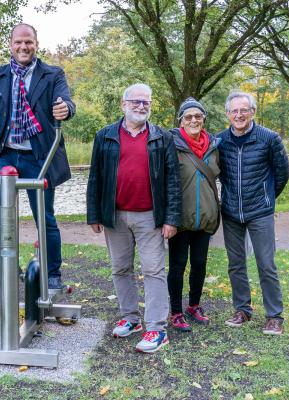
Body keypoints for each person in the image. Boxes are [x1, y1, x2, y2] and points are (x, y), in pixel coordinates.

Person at [0, 23, 75, 290]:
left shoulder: (52, 74)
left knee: (45, 215)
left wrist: (65, 108)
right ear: (10, 45)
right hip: (5, 154)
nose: (23, 47)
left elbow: (66, 102)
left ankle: (52, 272)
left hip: (38, 155)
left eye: (28, 42)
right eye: (18, 42)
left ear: (36, 44)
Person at [86, 83, 181, 353]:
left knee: (153, 270)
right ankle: (130, 318)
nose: (141, 106)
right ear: (123, 104)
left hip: (151, 217)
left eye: (146, 102)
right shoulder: (105, 136)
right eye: (136, 102)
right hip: (115, 216)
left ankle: (156, 329)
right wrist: (94, 213)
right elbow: (96, 177)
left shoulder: (162, 138)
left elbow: (172, 181)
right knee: (120, 268)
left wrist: (171, 219)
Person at [217, 91, 289, 335]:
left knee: (266, 264)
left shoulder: (269, 138)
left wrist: (266, 197)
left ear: (253, 112)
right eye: (234, 111)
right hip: (230, 212)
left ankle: (274, 316)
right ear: (228, 114)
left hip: (260, 211)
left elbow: (281, 174)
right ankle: (242, 310)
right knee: (236, 264)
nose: (239, 115)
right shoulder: (220, 141)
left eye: (243, 110)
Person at [167, 98, 221, 332]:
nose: (193, 120)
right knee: (177, 266)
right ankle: (176, 311)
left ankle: (194, 305)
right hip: (180, 218)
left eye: (198, 116)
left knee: (199, 264)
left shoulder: (215, 146)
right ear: (181, 120)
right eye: (188, 117)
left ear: (203, 119)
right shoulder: (171, 144)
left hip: (205, 218)